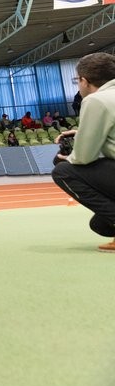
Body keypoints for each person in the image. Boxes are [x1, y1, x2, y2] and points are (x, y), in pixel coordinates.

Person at [52, 53, 115, 252]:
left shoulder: (96, 100)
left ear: (84, 81)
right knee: (100, 224)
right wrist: (82, 132)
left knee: (62, 170)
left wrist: (66, 157)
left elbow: (84, 157)